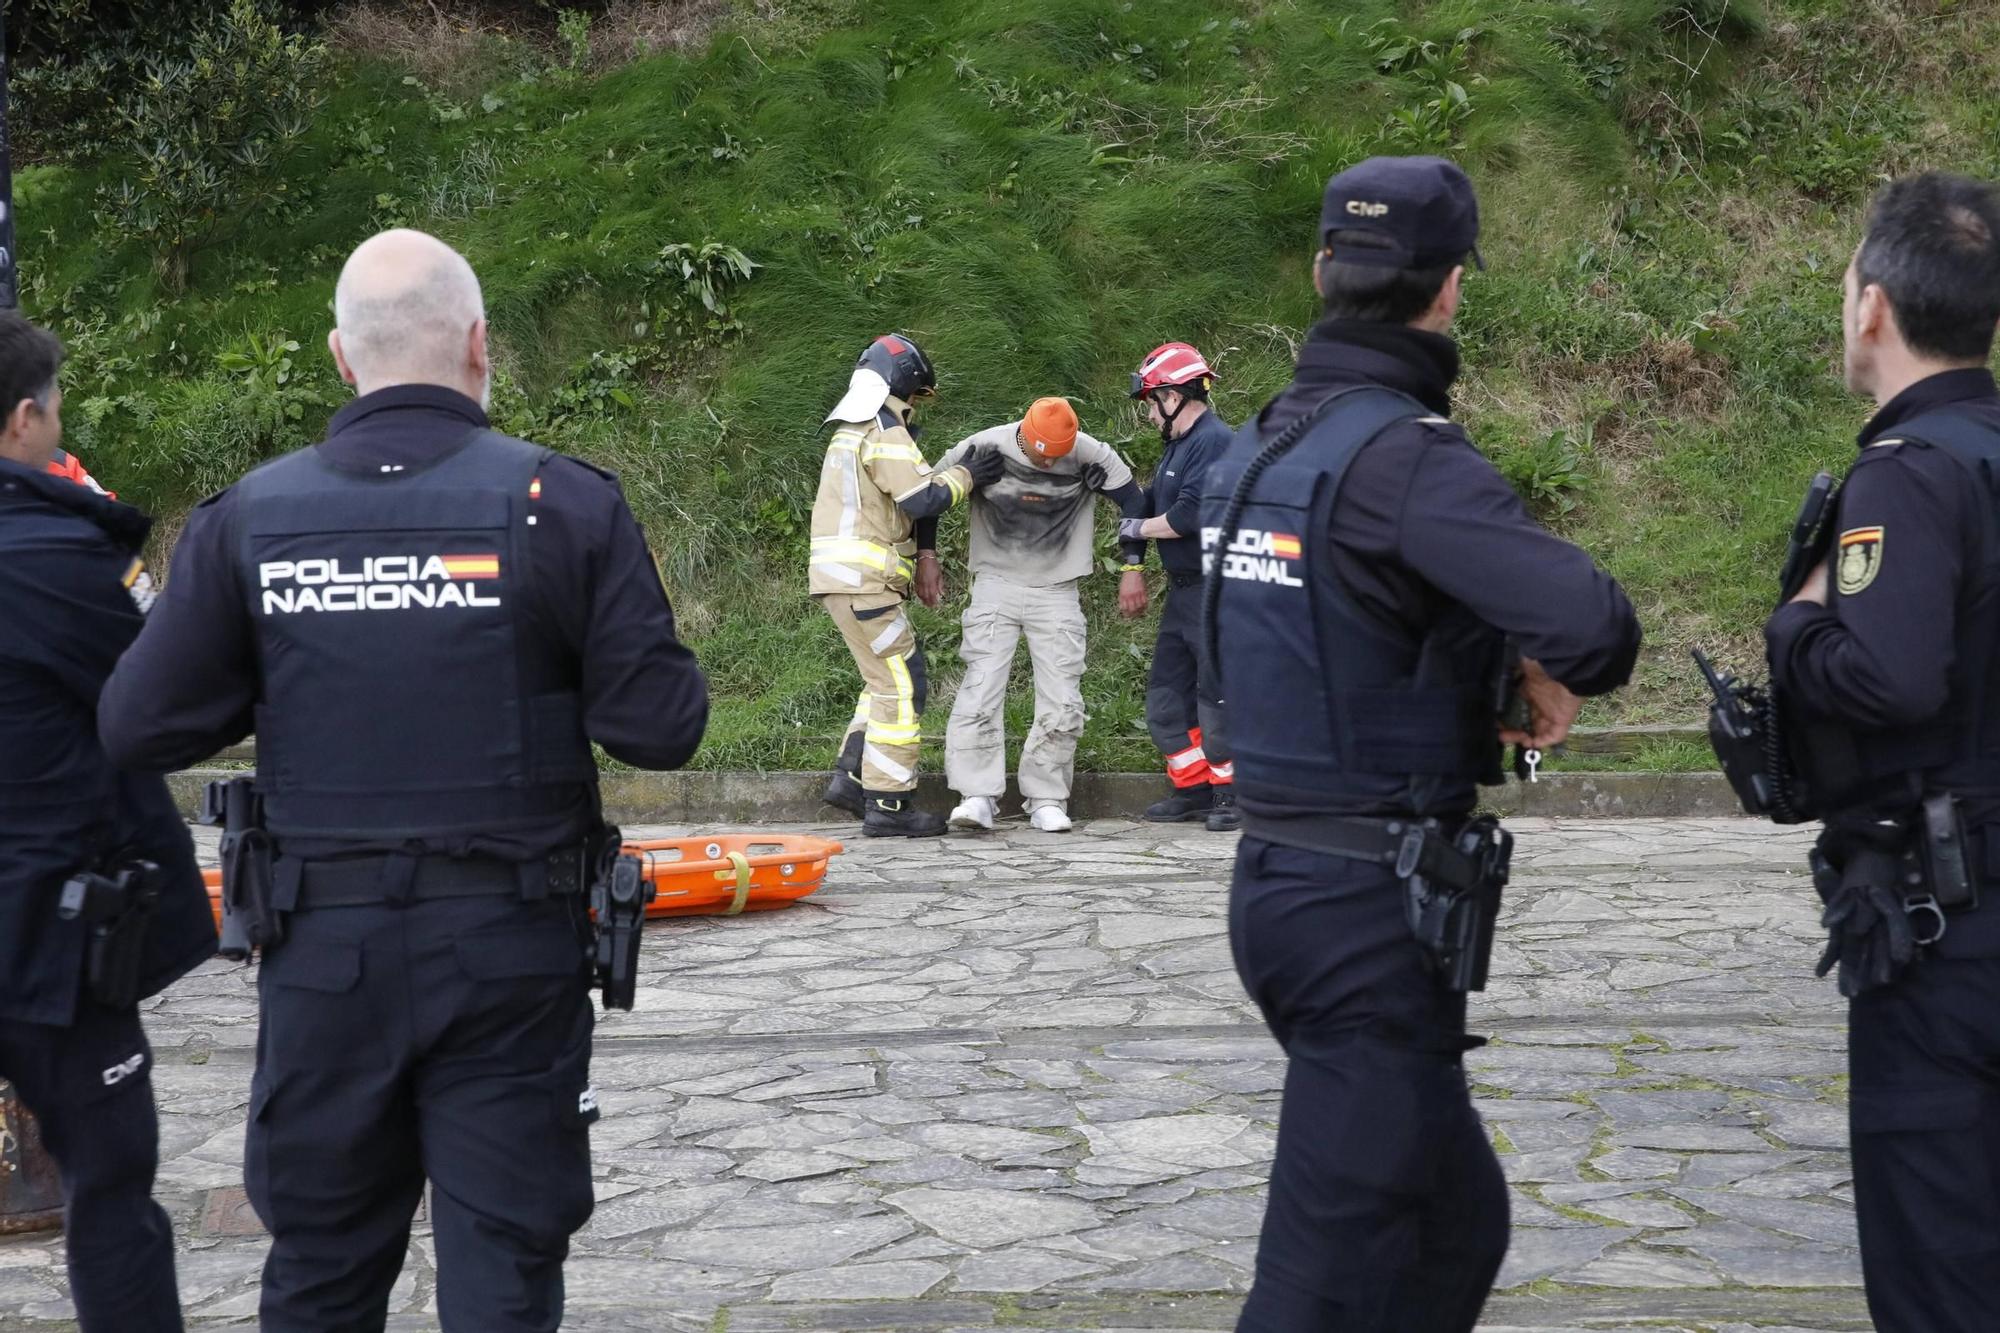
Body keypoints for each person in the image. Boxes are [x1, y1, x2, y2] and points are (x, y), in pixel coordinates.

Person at [96, 229, 710, 1333]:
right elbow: (661, 727)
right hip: (510, 953)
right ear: (481, 344)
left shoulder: (251, 520)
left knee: (324, 1267)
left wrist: (281, 662)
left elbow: (138, 723)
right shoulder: (560, 504)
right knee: (503, 1266)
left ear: (341, 356)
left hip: (324, 962)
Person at [1201, 156, 1640, 1332]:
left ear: (1318, 273)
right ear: (1448, 291)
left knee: (1456, 1224)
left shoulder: (1262, 448)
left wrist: (1487, 668)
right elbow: (1596, 630)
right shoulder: (1403, 455)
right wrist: (1539, 657)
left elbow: (1336, 623)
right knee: (1312, 1286)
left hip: (1283, 884)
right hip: (1364, 920)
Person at [1762, 171, 2000, 1333]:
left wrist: (1796, 623)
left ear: (1871, 306)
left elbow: (1890, 678)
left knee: (1938, 1269)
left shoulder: (1909, 471)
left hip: (1946, 932)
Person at [0, 309, 212, 1332]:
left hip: (54, 923)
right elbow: (164, 702)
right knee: (113, 1184)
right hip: (53, 937)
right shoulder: (60, 554)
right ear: (21, 422)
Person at [812, 333, 1002, 836]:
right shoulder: (883, 429)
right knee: (903, 683)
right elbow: (923, 499)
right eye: (916, 395)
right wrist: (968, 474)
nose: (917, 406)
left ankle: (853, 779)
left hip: (844, 582)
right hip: (864, 583)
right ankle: (889, 803)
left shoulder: (852, 430)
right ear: (901, 384)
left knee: (881, 682)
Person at [932, 396, 1150, 832]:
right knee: (980, 688)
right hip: (996, 583)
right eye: (1041, 456)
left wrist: (1132, 567)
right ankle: (976, 796)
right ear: (1024, 435)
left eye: (1059, 456)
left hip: (1058, 589)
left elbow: (1134, 501)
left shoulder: (1089, 452)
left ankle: (1047, 797)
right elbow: (929, 492)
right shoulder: (985, 446)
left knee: (1063, 697)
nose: (1050, 464)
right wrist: (925, 555)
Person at [1123, 342, 1240, 831]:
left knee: (1216, 694)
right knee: (1168, 694)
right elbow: (1152, 503)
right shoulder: (1177, 446)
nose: (1149, 413)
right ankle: (1192, 787)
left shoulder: (1214, 442)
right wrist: (1134, 557)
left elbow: (1189, 514)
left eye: (1151, 402)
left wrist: (1137, 530)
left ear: (1174, 395)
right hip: (1184, 589)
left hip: (1218, 591)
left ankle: (1231, 795)